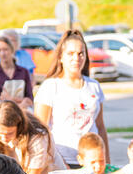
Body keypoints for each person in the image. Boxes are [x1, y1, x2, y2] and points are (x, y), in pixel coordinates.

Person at [34, 30, 110, 167]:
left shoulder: (94, 86)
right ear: (60, 57)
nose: (76, 58)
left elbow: (100, 127)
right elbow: (40, 131)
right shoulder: (51, 86)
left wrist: (106, 160)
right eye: (70, 53)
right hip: (62, 161)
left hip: (92, 163)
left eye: (81, 53)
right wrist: (60, 162)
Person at [0, 36, 33, 108]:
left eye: (5, 49)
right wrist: (20, 101)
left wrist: (10, 99)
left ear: (12, 50)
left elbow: (30, 98)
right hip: (3, 110)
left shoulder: (24, 71)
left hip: (23, 110)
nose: (2, 53)